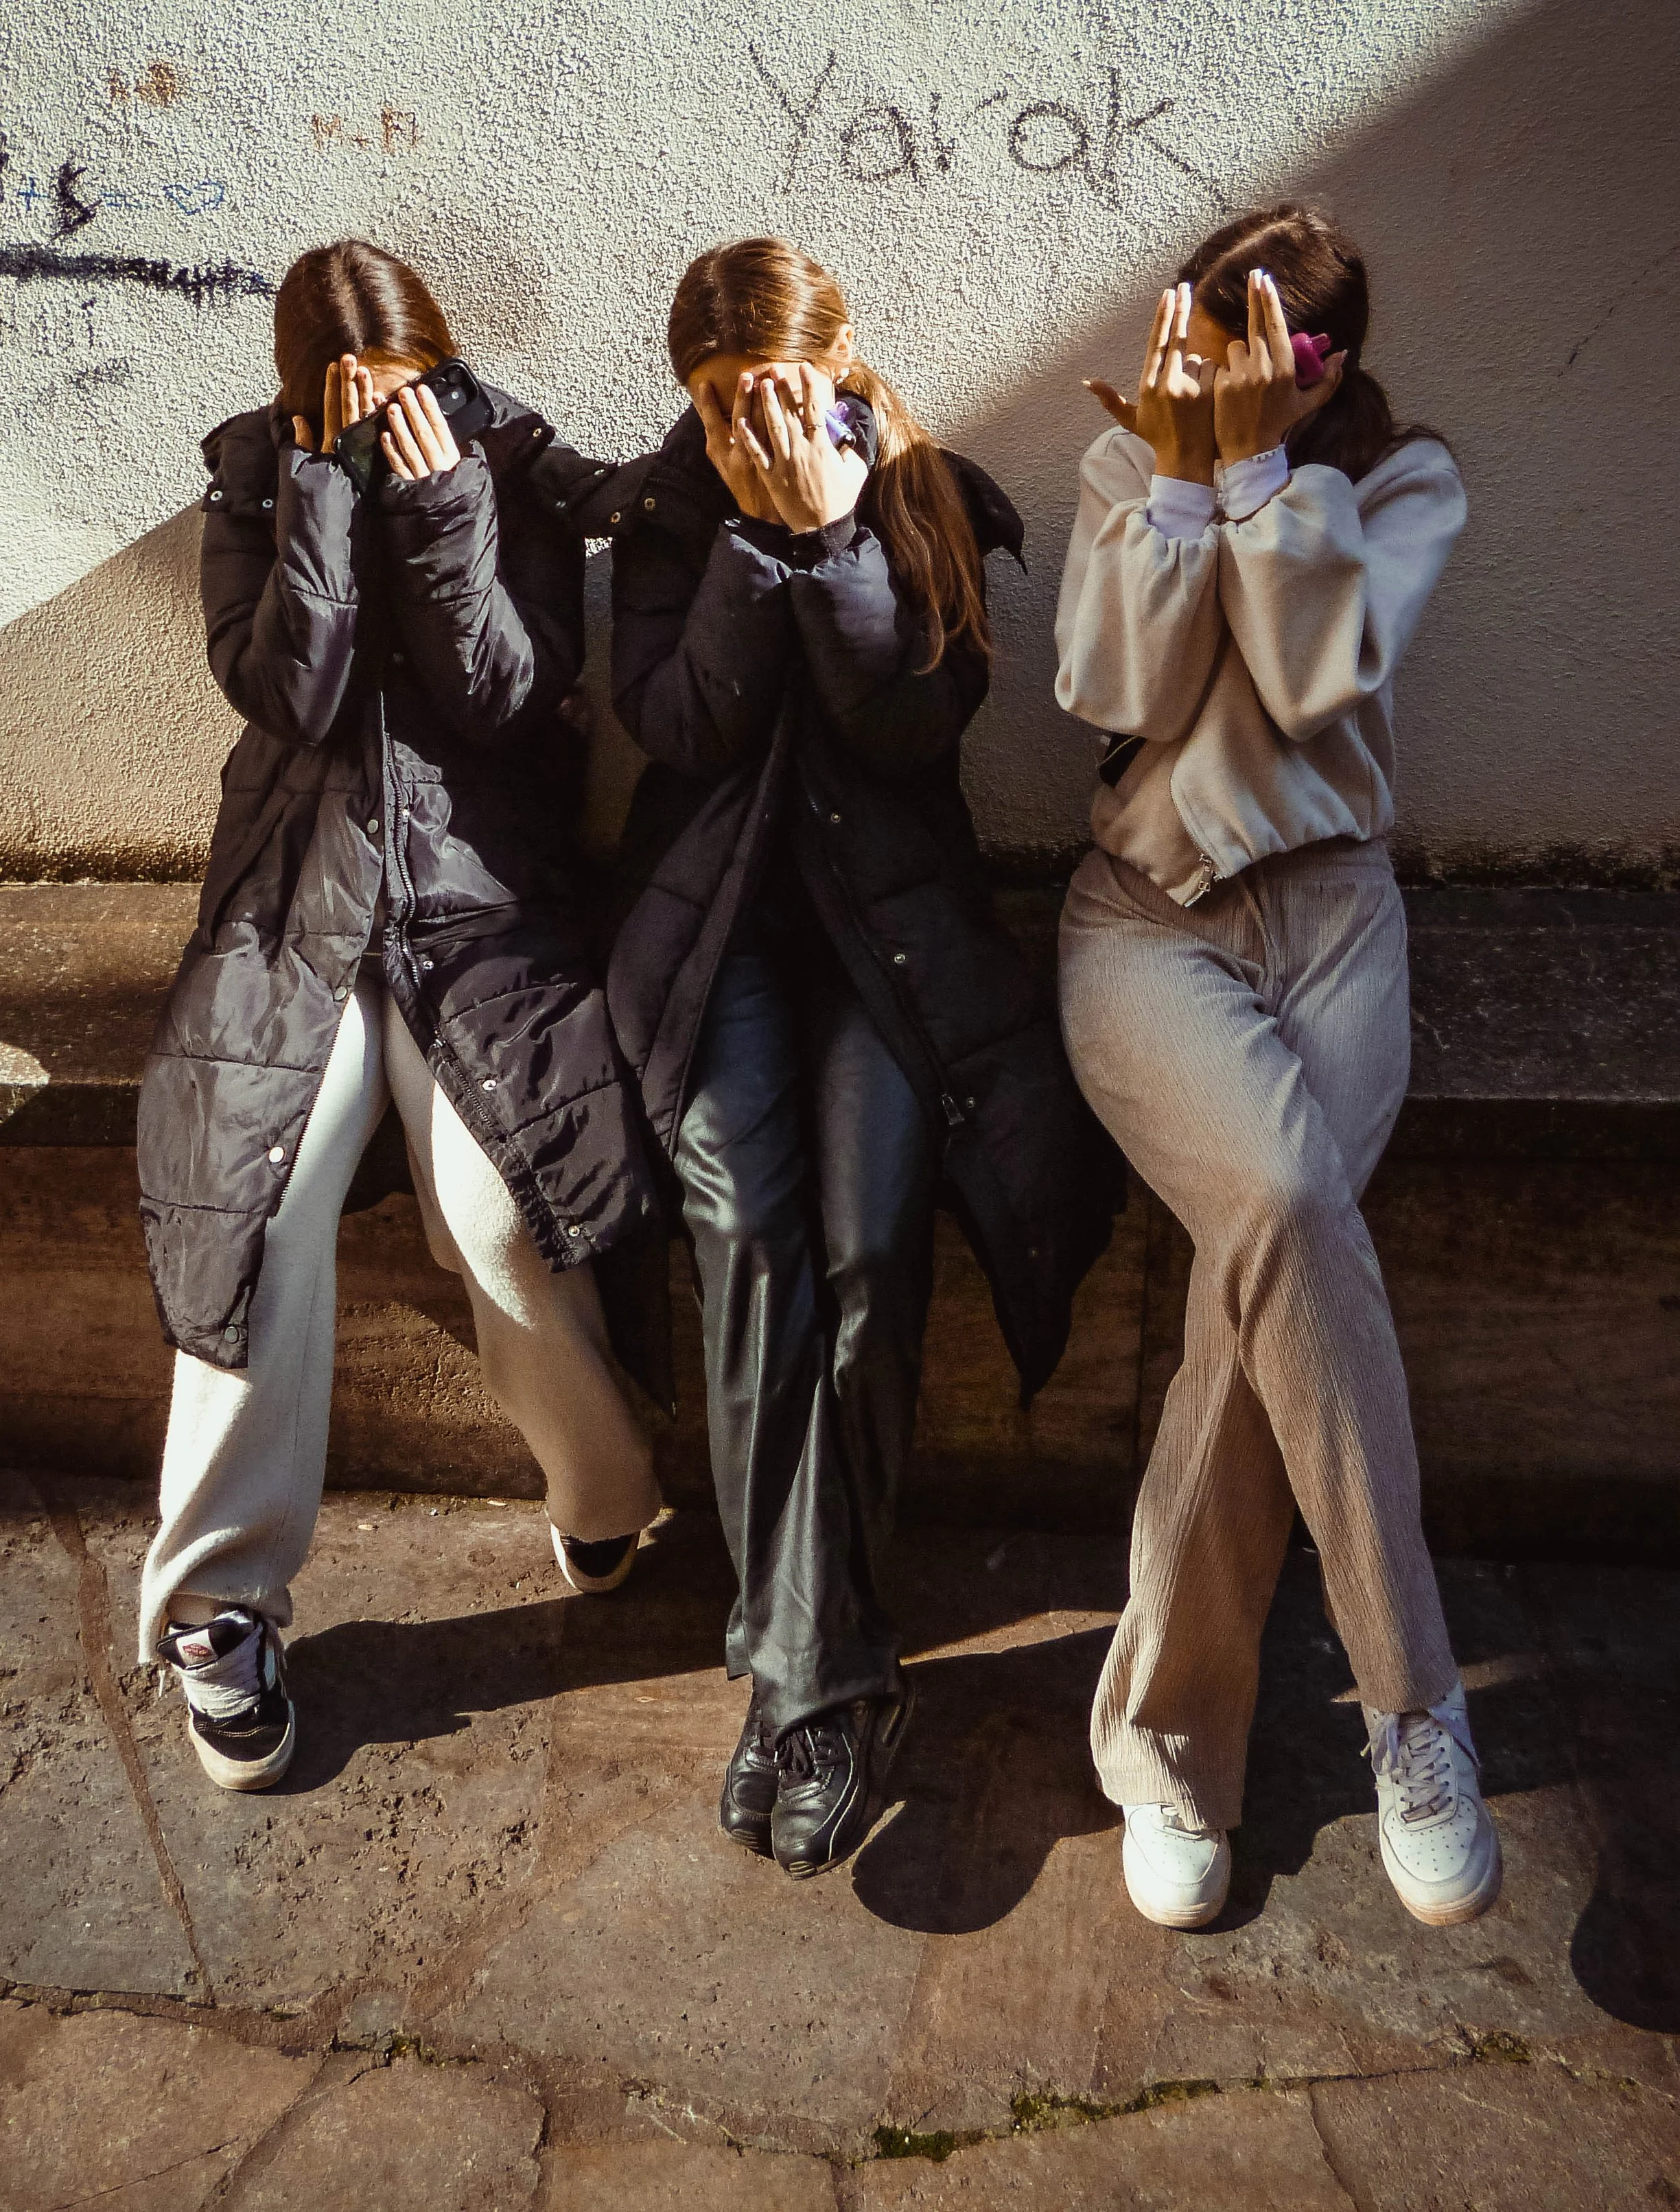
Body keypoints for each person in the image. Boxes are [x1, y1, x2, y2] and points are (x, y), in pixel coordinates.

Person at [584, 237, 1119, 1879]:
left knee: (874, 1247)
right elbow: (675, 728)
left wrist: (833, 536)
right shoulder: (669, 515)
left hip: (890, 952)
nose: (749, 420)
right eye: (716, 402)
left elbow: (910, 729)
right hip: (721, 940)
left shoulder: (923, 492)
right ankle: (827, 1681)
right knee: (746, 1237)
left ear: (836, 363)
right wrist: (757, 544)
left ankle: (794, 1672)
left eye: (775, 391)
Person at [137, 239, 665, 1792]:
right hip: (294, 905)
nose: (389, 418)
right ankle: (217, 1610)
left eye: (410, 388)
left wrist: (440, 513)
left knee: (497, 1212)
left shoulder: (509, 462)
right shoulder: (251, 478)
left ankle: (602, 1494)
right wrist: (318, 499)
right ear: (305, 392)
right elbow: (283, 693)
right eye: (353, 400)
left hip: (474, 905)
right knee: (257, 1202)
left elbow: (508, 694)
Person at [1054, 202, 1501, 1931]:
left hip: (1326, 920)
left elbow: (1315, 681)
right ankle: (1416, 1700)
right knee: (1290, 1194)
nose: (1213, 374)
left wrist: (1256, 482)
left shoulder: (1402, 483)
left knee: (1256, 1298)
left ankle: (1169, 1751)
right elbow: (1120, 682)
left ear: (1318, 366)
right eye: (1201, 334)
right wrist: (1177, 480)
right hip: (1144, 927)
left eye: (1257, 355)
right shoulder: (1118, 467)